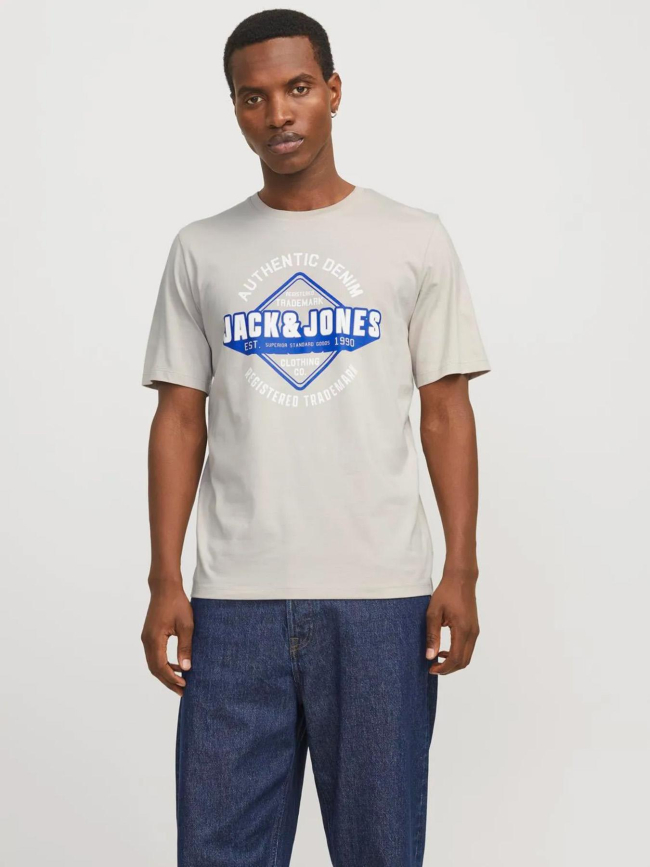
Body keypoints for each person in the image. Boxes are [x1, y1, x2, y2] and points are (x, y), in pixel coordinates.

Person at [140, 9, 491, 867]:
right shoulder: (201, 249)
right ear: (235, 108)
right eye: (253, 97)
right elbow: (179, 417)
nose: (278, 114)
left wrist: (461, 568)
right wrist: (164, 578)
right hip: (233, 603)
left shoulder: (414, 237)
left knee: (380, 850)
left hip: (382, 600)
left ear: (333, 92)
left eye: (297, 88)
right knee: (219, 850)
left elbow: (445, 409)